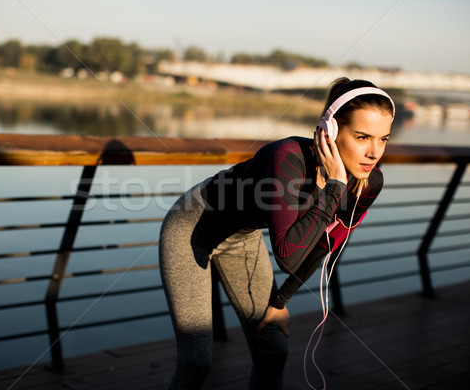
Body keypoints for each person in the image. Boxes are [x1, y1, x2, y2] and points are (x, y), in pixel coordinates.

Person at [158, 77, 395, 389]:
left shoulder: (369, 182)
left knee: (273, 352)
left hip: (242, 240)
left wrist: (280, 301)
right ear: (330, 131)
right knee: (197, 361)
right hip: (193, 228)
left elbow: (326, 243)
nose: (374, 152)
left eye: (383, 139)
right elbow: (287, 255)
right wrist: (334, 188)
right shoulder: (289, 158)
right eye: (363, 137)